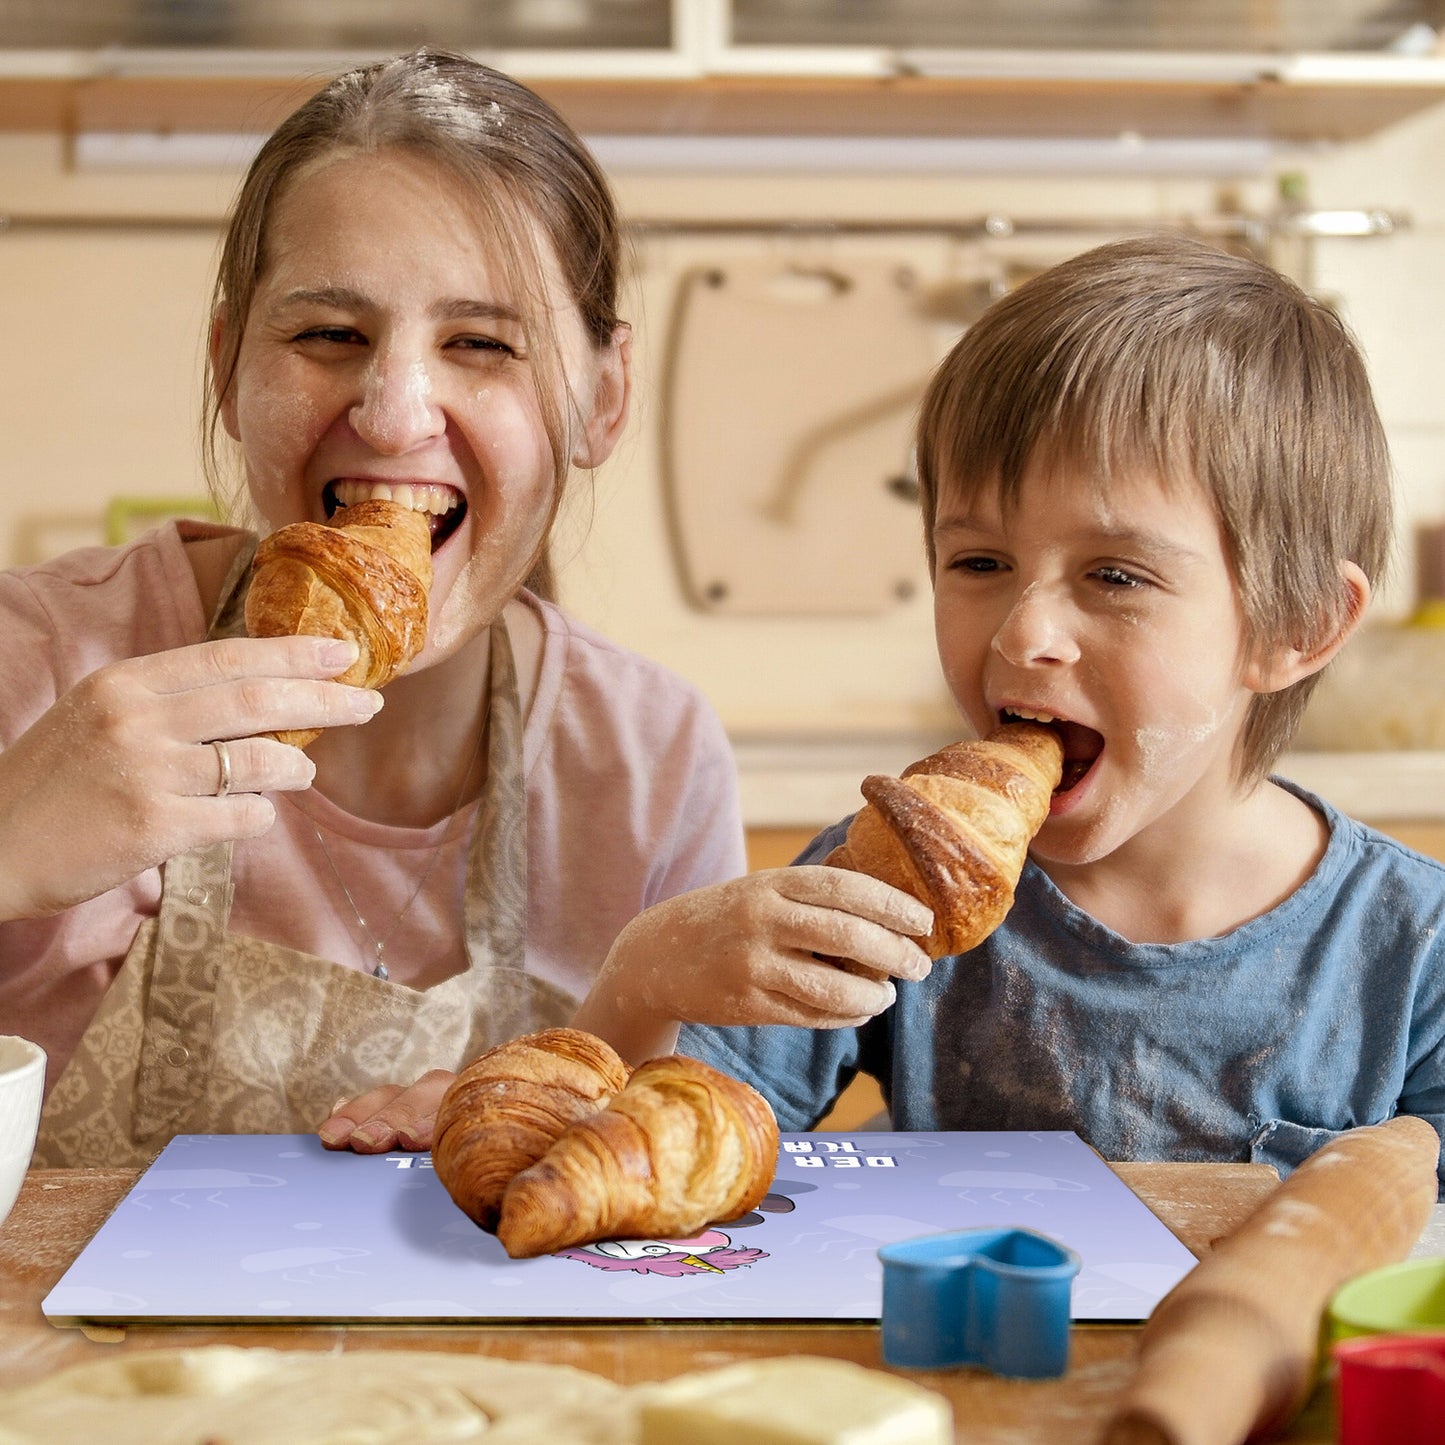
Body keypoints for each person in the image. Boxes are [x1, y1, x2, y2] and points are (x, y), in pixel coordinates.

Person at [3, 48, 758, 1168]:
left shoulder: (646, 760)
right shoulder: (43, 661)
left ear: (602, 398)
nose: (396, 411)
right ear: (227, 366)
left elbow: (694, 1175)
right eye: (327, 335)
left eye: (482, 343)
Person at [593, 233, 1445, 1187]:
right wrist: (644, 977)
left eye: (1115, 574)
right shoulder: (891, 879)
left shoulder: (1412, 950)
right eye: (979, 564)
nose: (1022, 632)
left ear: (1296, 624)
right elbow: (663, 1154)